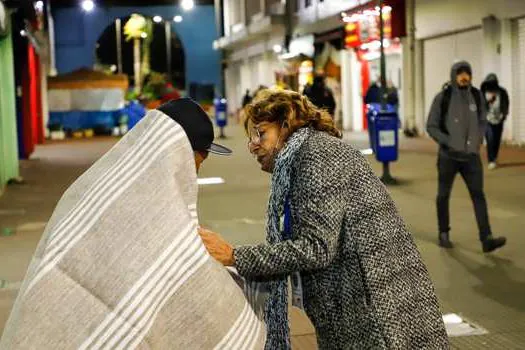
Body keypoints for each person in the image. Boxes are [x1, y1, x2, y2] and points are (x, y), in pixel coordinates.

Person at [0, 99, 271, 349]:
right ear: (179, 151)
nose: (196, 170)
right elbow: (189, 284)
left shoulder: (92, 186)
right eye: (199, 160)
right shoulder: (159, 206)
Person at [199, 89, 449, 349]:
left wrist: (235, 256)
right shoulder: (307, 154)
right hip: (359, 299)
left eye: (261, 133)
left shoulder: (315, 156)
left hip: (371, 305)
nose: (252, 145)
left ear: (285, 126)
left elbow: (317, 248)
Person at [426, 61, 506, 252]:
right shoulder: (443, 97)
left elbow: (482, 121)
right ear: (454, 75)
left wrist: (477, 141)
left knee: (479, 196)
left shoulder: (477, 96)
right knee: (443, 195)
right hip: (448, 157)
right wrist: (448, 142)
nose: (464, 76)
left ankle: (486, 238)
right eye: (460, 73)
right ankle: (443, 233)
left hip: (471, 158)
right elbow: (431, 125)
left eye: (467, 73)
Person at [480, 73, 509, 170]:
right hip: (487, 119)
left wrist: (504, 114)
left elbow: (506, 103)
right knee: (490, 139)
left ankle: (495, 157)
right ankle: (491, 160)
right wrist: (489, 101)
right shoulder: (483, 92)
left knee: (497, 139)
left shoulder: (502, 92)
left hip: (499, 119)